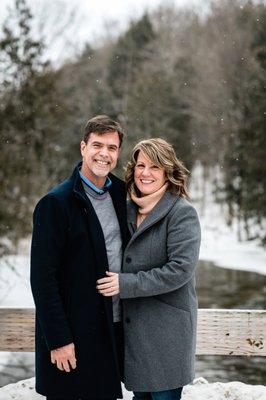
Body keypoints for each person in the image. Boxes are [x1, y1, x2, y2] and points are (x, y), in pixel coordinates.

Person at [30, 115, 129, 400]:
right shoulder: (56, 203)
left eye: (112, 148)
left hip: (113, 329)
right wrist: (59, 340)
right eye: (97, 145)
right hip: (73, 333)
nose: (104, 154)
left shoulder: (122, 194)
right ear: (83, 147)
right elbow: (42, 279)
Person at [97, 138, 201, 400]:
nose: (145, 173)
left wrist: (125, 284)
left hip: (166, 336)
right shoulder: (126, 208)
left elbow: (180, 270)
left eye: (154, 167)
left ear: (167, 171)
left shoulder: (181, 213)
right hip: (134, 335)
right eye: (141, 165)